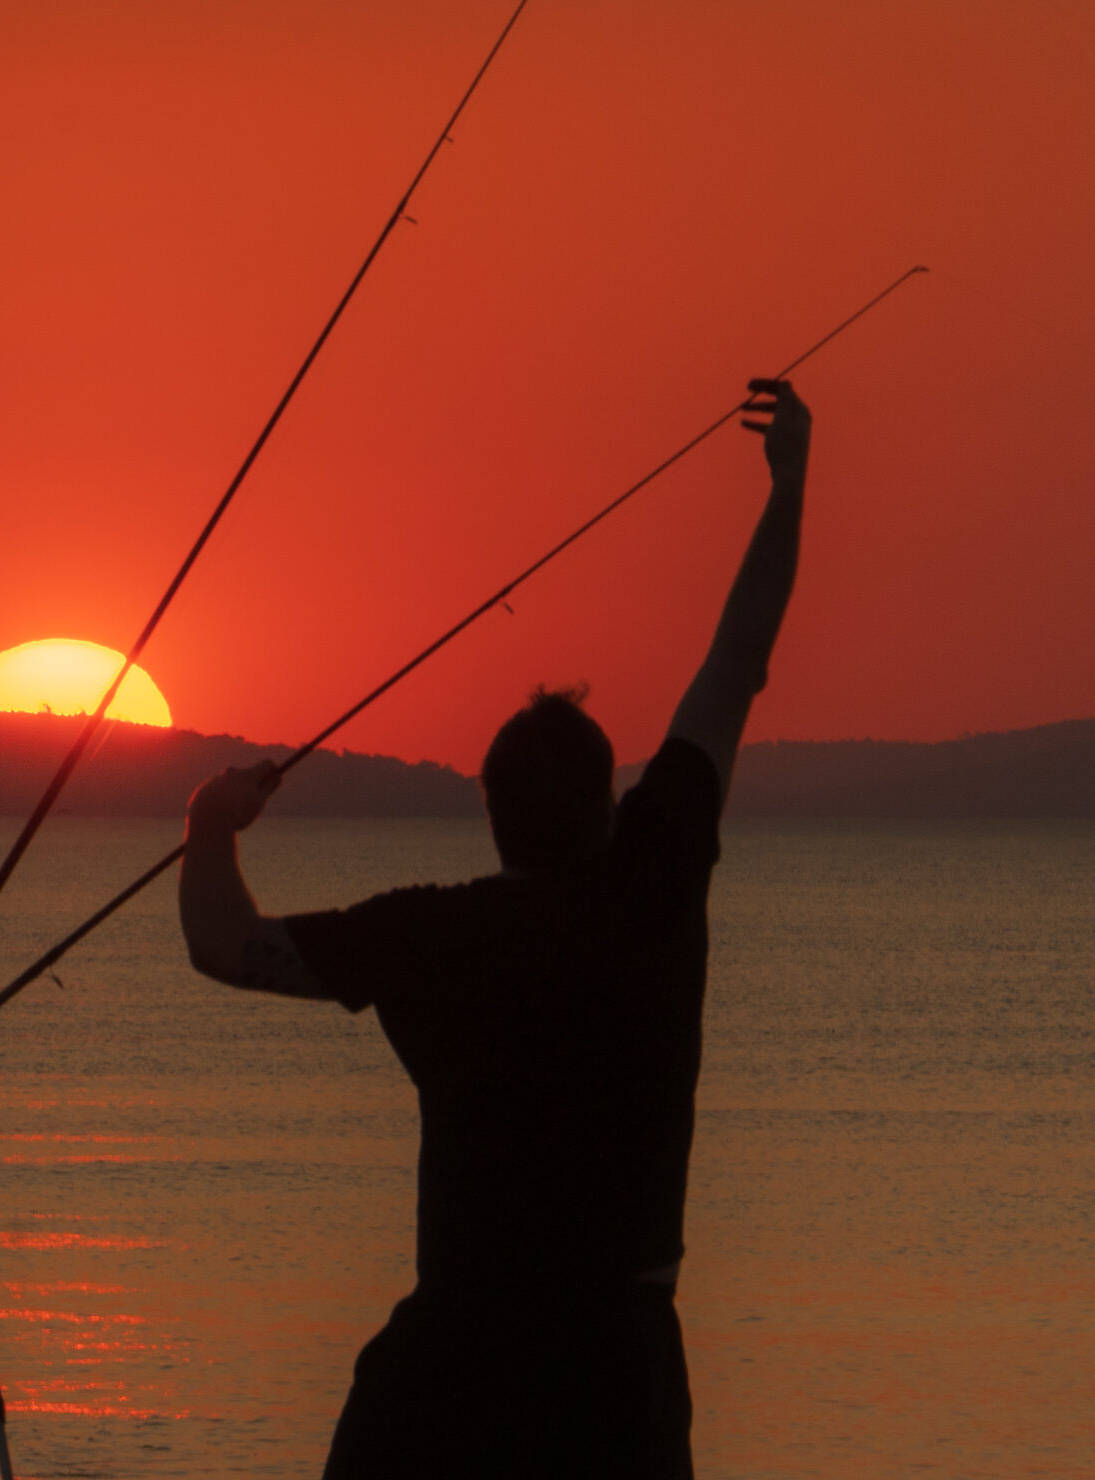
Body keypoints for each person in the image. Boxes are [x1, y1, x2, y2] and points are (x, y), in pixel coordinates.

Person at [177, 377, 812, 1478]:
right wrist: (792, 480)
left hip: (451, 1368)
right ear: (606, 806)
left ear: (491, 816)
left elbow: (224, 946)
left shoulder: (432, 934)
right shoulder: (654, 881)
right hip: (616, 1371)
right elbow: (735, 663)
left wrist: (208, 822)